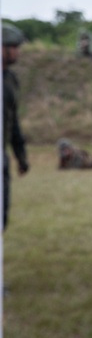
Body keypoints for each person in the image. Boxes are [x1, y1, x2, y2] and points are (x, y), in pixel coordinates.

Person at [2, 24, 29, 230]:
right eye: (13, 47)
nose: (17, 52)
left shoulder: (10, 79)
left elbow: (13, 121)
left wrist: (21, 156)